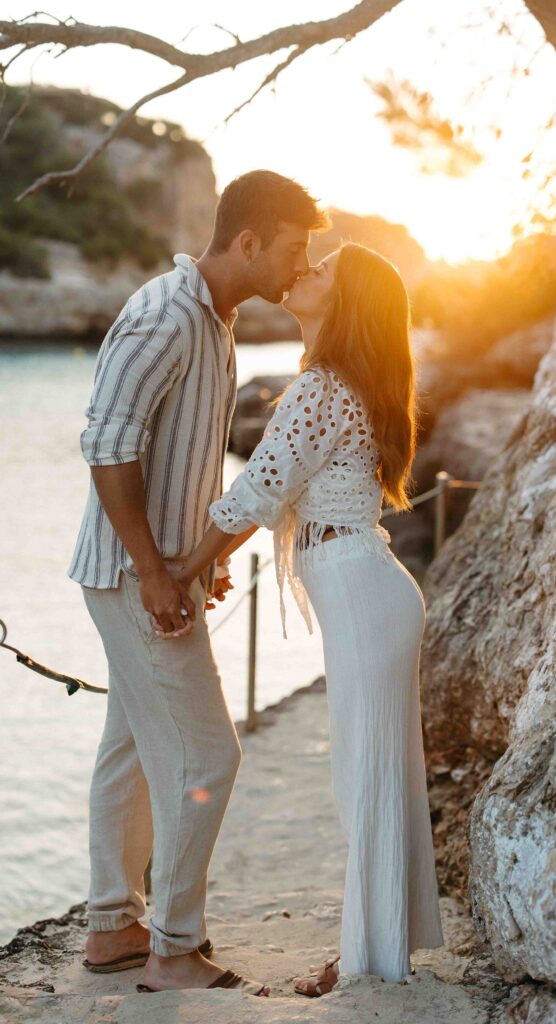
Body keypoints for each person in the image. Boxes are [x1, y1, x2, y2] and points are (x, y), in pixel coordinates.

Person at [68, 170, 328, 995]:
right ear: (247, 241)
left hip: (160, 572)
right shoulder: (163, 316)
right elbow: (107, 446)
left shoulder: (214, 322)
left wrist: (201, 561)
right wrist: (152, 571)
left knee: (132, 751)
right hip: (131, 572)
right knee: (207, 752)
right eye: (291, 249)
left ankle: (113, 926)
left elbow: (181, 464)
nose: (299, 265)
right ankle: (173, 948)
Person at [171, 242, 445, 994]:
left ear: (345, 300)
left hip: (363, 589)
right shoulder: (337, 382)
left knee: (366, 777)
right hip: (367, 587)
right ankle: (378, 949)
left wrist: (181, 569)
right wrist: (216, 559)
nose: (304, 270)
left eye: (322, 268)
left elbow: (258, 491)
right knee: (373, 773)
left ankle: (367, 961)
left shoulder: (325, 387)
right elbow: (274, 496)